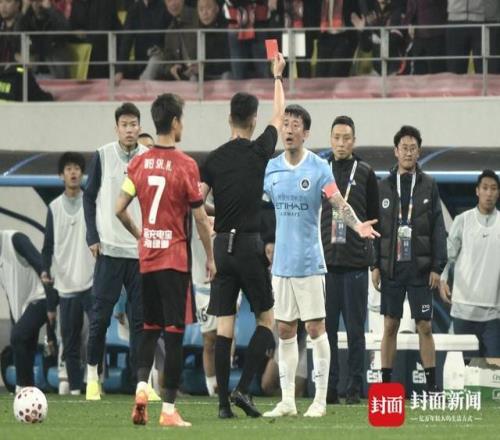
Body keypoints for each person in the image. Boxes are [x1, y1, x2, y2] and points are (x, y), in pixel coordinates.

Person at [262, 105, 378, 418]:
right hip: (281, 266)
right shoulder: (271, 168)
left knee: (316, 329)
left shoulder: (318, 168)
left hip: (310, 263)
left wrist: (358, 226)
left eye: (295, 125)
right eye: (285, 124)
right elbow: (254, 206)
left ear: (306, 133)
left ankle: (320, 401)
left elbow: (338, 202)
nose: (288, 130)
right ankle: (287, 401)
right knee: (285, 331)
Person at [115, 93, 216, 427]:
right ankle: (169, 410)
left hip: (147, 259)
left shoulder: (138, 163)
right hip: (174, 261)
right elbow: (200, 219)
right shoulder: (186, 165)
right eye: (181, 120)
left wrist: (141, 234)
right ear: (174, 122)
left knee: (148, 330)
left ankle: (141, 388)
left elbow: (119, 208)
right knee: (173, 334)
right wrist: (210, 258)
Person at [200, 53, 285, 419]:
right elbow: (279, 116)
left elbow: (198, 204)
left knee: (225, 327)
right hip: (249, 245)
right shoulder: (259, 150)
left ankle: (222, 405)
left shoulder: (213, 159)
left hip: (222, 245)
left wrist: (219, 215)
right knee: (267, 319)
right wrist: (277, 76)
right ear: (252, 120)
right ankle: (243, 388)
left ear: (229, 119)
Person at [372, 125, 447, 392]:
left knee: (424, 326)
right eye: (404, 147)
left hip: (420, 268)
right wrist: (375, 265)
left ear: (419, 152)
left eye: (412, 148)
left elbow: (438, 227)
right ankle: (386, 385)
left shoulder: (429, 185)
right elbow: (375, 228)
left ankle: (432, 387)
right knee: (390, 325)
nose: (408, 152)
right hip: (392, 268)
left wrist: (437, 267)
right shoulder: (383, 186)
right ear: (395, 151)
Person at [83, 102, 148, 400]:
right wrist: (92, 236)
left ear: (139, 126)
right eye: (125, 125)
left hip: (139, 253)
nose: (130, 129)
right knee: (100, 319)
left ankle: (143, 383)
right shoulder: (103, 154)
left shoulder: (148, 157)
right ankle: (91, 378)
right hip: (108, 251)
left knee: (141, 322)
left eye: (134, 124)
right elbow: (89, 198)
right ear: (116, 128)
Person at [320, 115, 379, 405]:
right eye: (336, 138)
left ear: (354, 141)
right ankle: (329, 389)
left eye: (346, 138)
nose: (341, 143)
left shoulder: (366, 172)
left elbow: (374, 219)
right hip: (326, 265)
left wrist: (374, 263)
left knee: (356, 331)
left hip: (355, 264)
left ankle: (354, 389)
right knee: (327, 332)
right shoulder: (320, 169)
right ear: (330, 139)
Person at [41, 152, 95, 395]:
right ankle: (74, 389)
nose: (73, 173)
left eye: (77, 168)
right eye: (68, 169)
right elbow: (47, 246)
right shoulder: (54, 208)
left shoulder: (91, 203)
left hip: (91, 281)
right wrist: (45, 269)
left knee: (97, 336)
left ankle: (95, 382)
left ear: (82, 174)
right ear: (61, 175)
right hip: (65, 284)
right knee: (70, 342)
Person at [440, 170, 500, 358]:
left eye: (493, 189)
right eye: (485, 188)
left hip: (493, 313)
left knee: (493, 369)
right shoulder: (463, 220)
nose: (489, 193)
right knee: (463, 368)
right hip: (463, 310)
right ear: (477, 191)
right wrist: (442, 279)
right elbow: (447, 255)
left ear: (498, 193)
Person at [0, 230, 58, 392]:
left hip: (41, 297)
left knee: (17, 336)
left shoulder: (16, 239)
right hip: (23, 307)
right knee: (25, 345)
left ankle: (21, 388)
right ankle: (30, 391)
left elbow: (42, 267)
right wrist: (15, 319)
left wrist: (51, 304)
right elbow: (9, 292)